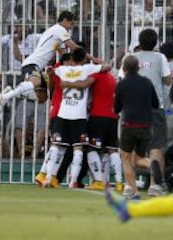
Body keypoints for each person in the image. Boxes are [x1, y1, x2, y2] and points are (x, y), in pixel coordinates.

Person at [0, 11, 101, 104]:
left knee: (42, 98)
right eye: (71, 24)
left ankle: (14, 91)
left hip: (39, 67)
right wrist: (92, 58)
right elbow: (73, 46)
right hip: (32, 63)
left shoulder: (57, 35)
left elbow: (63, 54)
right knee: (36, 82)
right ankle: (6, 96)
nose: (71, 27)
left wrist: (73, 65)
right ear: (65, 20)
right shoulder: (59, 29)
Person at [42, 48, 108, 188]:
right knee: (78, 148)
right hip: (79, 115)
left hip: (62, 114)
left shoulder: (63, 70)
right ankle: (73, 182)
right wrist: (96, 60)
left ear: (71, 58)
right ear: (84, 59)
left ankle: (47, 178)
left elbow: (49, 70)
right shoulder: (87, 69)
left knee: (56, 145)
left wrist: (54, 73)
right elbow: (107, 66)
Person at [130, 29, 173, 196]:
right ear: (156, 43)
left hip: (133, 107)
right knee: (156, 147)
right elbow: (168, 80)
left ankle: (130, 184)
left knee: (131, 146)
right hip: (155, 106)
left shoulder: (131, 58)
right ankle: (154, 185)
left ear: (139, 43)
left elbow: (123, 78)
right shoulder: (160, 57)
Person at [114, 55, 162, 199]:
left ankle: (133, 191)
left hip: (129, 124)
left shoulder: (121, 84)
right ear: (139, 67)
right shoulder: (147, 82)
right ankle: (151, 165)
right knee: (138, 158)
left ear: (123, 68)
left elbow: (116, 108)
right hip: (147, 125)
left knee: (125, 157)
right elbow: (156, 104)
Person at [78, 71, 123, 192]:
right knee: (111, 149)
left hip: (97, 116)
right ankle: (119, 182)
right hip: (113, 117)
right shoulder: (112, 78)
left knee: (92, 148)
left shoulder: (95, 76)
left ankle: (98, 181)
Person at [35, 53, 73, 186]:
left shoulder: (60, 70)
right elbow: (51, 89)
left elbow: (51, 89)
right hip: (61, 111)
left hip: (63, 111)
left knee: (61, 146)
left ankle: (44, 174)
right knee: (58, 145)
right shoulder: (60, 69)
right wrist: (51, 76)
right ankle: (47, 176)